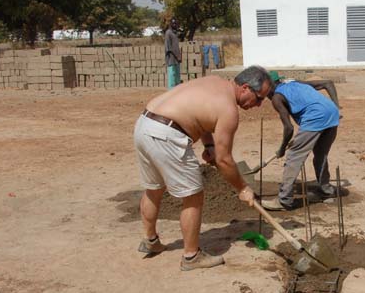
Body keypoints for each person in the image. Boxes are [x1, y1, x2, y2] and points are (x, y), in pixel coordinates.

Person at [133, 66, 273, 270]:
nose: (259, 105)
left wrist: (209, 146)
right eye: (259, 98)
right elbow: (225, 160)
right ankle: (191, 257)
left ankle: (150, 241)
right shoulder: (229, 110)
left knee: (154, 188)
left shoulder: (215, 82)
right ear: (245, 88)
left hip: (145, 124)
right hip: (167, 135)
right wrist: (242, 188)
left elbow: (204, 120)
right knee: (193, 196)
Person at [261, 71, 341, 211]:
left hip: (315, 117)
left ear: (271, 86)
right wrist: (336, 106)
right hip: (332, 114)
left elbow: (289, 128)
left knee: (293, 157)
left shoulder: (277, 97)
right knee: (320, 155)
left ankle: (284, 200)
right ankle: (326, 192)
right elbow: (328, 83)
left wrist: (282, 148)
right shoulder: (295, 83)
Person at [164, 18, 182, 88]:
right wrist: (177, 56)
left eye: (176, 23)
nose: (174, 25)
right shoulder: (168, 33)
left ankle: (177, 93)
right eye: (173, 23)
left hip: (177, 59)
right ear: (170, 24)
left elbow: (176, 46)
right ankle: (171, 93)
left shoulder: (175, 33)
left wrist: (179, 56)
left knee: (177, 77)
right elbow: (168, 48)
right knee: (172, 77)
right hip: (171, 59)